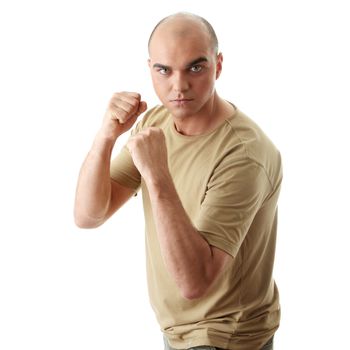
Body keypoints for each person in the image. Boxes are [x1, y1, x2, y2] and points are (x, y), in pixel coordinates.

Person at [74, 12, 282, 350]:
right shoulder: (156, 121)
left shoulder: (245, 154)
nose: (179, 86)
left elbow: (195, 282)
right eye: (164, 70)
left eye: (195, 68)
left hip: (227, 338)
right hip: (178, 333)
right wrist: (106, 136)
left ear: (218, 65)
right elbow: (89, 215)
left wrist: (157, 176)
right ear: (150, 68)